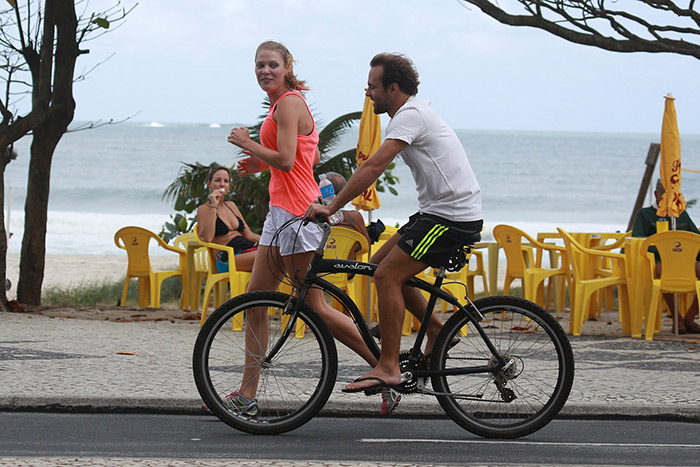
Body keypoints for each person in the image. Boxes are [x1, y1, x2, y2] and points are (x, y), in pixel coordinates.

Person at [225, 41, 399, 416]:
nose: (264, 71)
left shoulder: (288, 103)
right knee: (256, 303)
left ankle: (388, 370)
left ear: (287, 66)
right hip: (281, 214)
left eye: (272, 64)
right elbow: (311, 155)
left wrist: (249, 145)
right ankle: (247, 395)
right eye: (259, 66)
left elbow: (288, 161)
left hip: (297, 215)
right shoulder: (285, 103)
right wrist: (262, 164)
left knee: (315, 307)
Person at [306, 53, 483, 394]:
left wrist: (332, 207)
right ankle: (436, 329)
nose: (368, 93)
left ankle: (388, 367)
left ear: (394, 88)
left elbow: (372, 167)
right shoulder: (412, 113)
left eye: (372, 87)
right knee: (376, 266)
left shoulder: (410, 116)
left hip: (452, 216)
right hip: (439, 211)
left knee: (387, 276)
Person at [632, 178, 700, 334]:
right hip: (658, 262)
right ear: (657, 195)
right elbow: (638, 242)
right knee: (667, 272)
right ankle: (677, 319)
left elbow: (696, 238)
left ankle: (689, 317)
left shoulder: (681, 214)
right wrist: (664, 250)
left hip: (685, 261)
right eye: (665, 194)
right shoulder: (645, 215)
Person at [196, 166, 259, 273]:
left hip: (246, 250)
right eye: (217, 180)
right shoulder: (204, 209)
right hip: (226, 258)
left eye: (226, 181)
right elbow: (207, 238)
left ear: (229, 186)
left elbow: (250, 235)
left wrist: (273, 242)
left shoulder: (231, 206)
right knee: (269, 256)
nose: (222, 184)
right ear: (209, 184)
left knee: (280, 252)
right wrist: (214, 206)